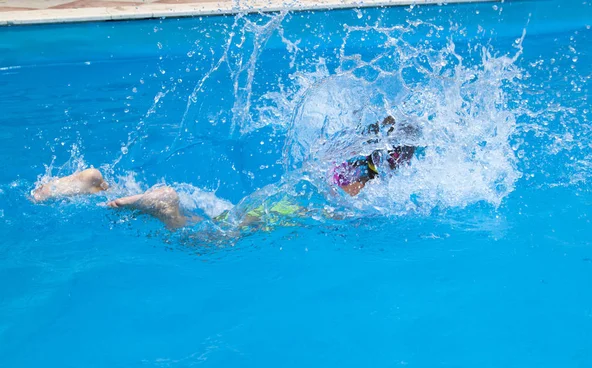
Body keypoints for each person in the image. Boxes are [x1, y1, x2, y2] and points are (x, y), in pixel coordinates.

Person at [30, 116, 419, 229]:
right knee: (207, 240)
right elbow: (339, 206)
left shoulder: (337, 159)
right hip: (279, 213)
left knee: (215, 217)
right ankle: (163, 207)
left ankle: (97, 184)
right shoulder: (363, 180)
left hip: (273, 198)